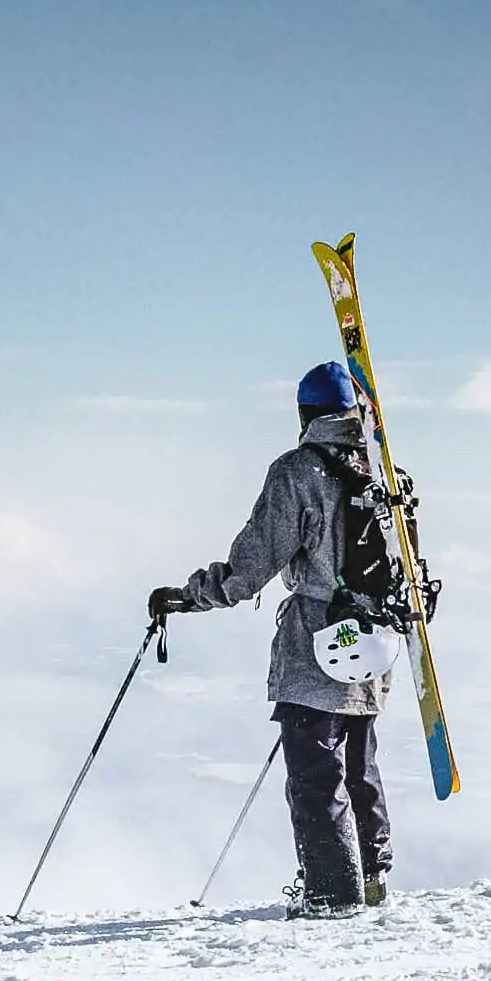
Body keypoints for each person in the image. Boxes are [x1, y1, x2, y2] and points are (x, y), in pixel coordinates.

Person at [149, 362, 393, 917]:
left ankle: (332, 895)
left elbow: (251, 564)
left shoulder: (298, 472)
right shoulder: (383, 472)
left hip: (317, 644)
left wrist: (190, 596)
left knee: (315, 773)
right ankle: (372, 876)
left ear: (306, 413)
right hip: (375, 642)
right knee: (359, 761)